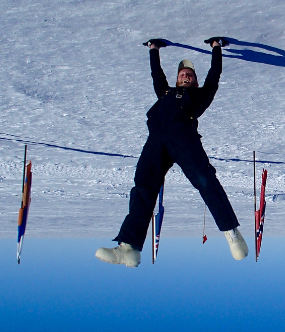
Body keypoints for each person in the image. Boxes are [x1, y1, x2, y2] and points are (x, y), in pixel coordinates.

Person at [96, 38, 248, 267]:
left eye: (189, 75)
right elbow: (157, 75)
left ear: (195, 82)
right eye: (182, 74)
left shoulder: (200, 96)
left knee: (205, 180)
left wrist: (216, 47)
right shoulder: (165, 92)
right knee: (143, 188)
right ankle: (129, 248)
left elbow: (214, 76)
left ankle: (231, 232)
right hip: (155, 142)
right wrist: (153, 49)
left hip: (183, 139)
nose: (185, 76)